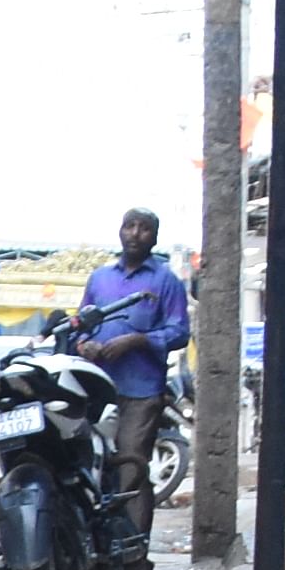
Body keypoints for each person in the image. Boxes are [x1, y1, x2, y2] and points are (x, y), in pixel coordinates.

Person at [71, 210, 193, 509]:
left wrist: (137, 340)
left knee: (131, 466)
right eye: (130, 226)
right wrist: (84, 344)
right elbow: (80, 324)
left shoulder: (166, 281)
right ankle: (93, 545)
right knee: (90, 465)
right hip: (96, 387)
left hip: (141, 391)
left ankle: (131, 549)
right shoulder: (100, 278)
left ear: (155, 237)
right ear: (120, 231)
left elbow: (179, 332)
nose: (135, 234)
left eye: (144, 229)